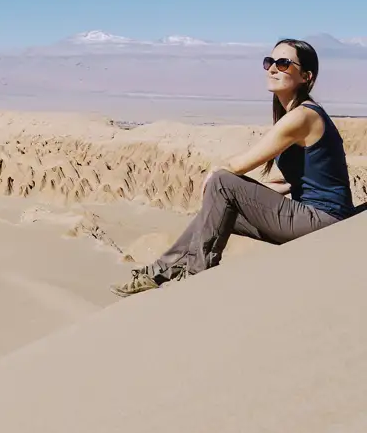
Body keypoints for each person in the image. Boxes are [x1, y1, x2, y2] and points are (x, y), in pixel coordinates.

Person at [111, 38, 356, 297]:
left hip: (324, 222)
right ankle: (157, 273)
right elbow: (308, 178)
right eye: (269, 62)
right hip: (315, 218)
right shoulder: (294, 115)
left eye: (283, 63)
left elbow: (239, 165)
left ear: (306, 76)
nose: (273, 68)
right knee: (217, 214)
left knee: (222, 182)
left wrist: (218, 174)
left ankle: (195, 278)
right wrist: (263, 191)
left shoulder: (303, 116)